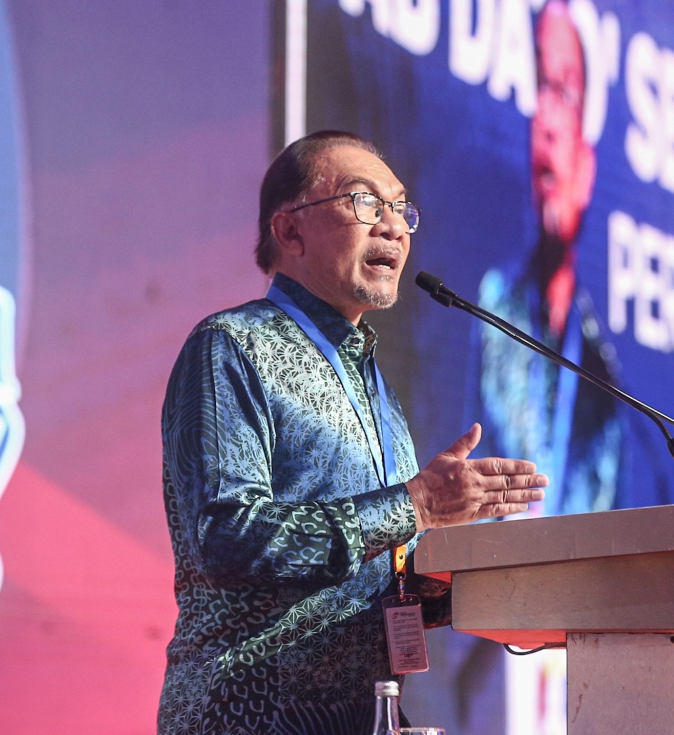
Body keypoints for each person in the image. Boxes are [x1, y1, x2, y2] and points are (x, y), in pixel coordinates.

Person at [158, 130, 547, 734]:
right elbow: (225, 538)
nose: (393, 227)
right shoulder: (231, 346)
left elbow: (362, 574)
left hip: (367, 716)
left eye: (402, 208)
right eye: (365, 201)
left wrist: (473, 581)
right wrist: (414, 505)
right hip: (250, 714)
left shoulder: (377, 391)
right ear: (290, 231)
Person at [470, 0, 623, 517]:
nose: (548, 121)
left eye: (564, 93)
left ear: (588, 166)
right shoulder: (489, 305)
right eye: (539, 88)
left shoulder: (605, 378)